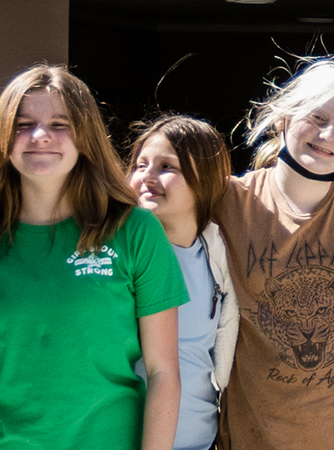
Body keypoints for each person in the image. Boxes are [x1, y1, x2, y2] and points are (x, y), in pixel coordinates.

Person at [0, 64, 187, 450]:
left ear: (85, 135)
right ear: (3, 136)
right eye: (23, 124)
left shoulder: (134, 230)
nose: (40, 136)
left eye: (60, 123)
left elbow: (163, 373)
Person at [125, 114, 241, 450]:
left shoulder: (220, 256)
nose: (147, 176)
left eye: (166, 167)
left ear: (204, 180)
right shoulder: (116, 252)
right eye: (140, 164)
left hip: (199, 442)